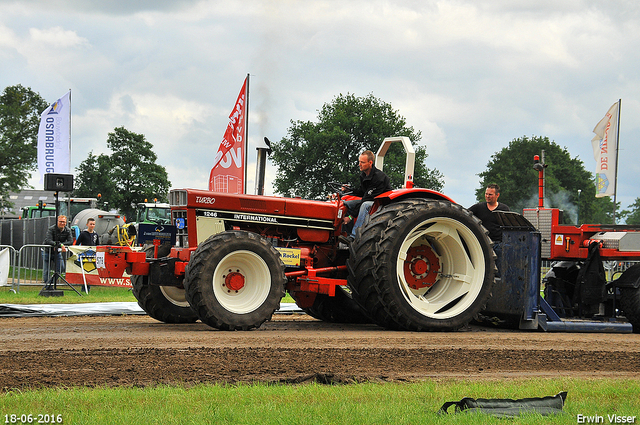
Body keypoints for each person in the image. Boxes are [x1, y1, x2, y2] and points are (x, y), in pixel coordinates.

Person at [339, 150, 392, 244]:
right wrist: (349, 190)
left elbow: (366, 198)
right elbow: (362, 192)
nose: (359, 164)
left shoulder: (379, 178)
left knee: (365, 205)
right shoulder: (363, 175)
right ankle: (343, 233)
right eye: (359, 162)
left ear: (370, 163)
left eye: (362, 162)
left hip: (382, 204)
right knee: (345, 203)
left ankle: (354, 237)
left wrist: (350, 217)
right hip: (370, 199)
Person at [469, 184, 510, 276]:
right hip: (483, 244)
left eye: (490, 194)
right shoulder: (478, 207)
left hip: (498, 244)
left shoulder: (504, 209)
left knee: (498, 269)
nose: (487, 196)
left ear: (497, 195)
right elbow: (465, 215)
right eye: (486, 194)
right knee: (482, 268)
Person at [42, 215, 73, 285]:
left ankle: (51, 283)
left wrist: (60, 245)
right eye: (60, 222)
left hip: (57, 252)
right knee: (46, 270)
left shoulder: (68, 230)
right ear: (57, 221)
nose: (62, 223)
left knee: (61, 268)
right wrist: (60, 245)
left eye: (64, 222)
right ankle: (47, 286)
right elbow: (48, 240)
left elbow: (70, 241)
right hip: (47, 251)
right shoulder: (51, 229)